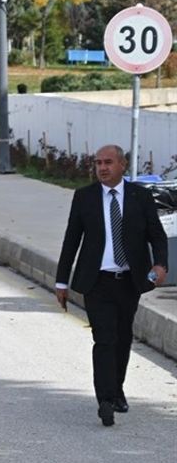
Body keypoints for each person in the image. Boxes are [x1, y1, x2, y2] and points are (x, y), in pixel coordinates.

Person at [54, 144, 168, 426]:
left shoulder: (140, 197)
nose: (102, 168)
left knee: (122, 338)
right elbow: (71, 241)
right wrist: (61, 280)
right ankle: (105, 400)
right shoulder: (85, 197)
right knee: (104, 339)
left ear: (122, 165)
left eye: (108, 162)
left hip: (129, 280)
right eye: (97, 163)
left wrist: (161, 265)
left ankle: (117, 390)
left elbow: (157, 234)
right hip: (97, 282)